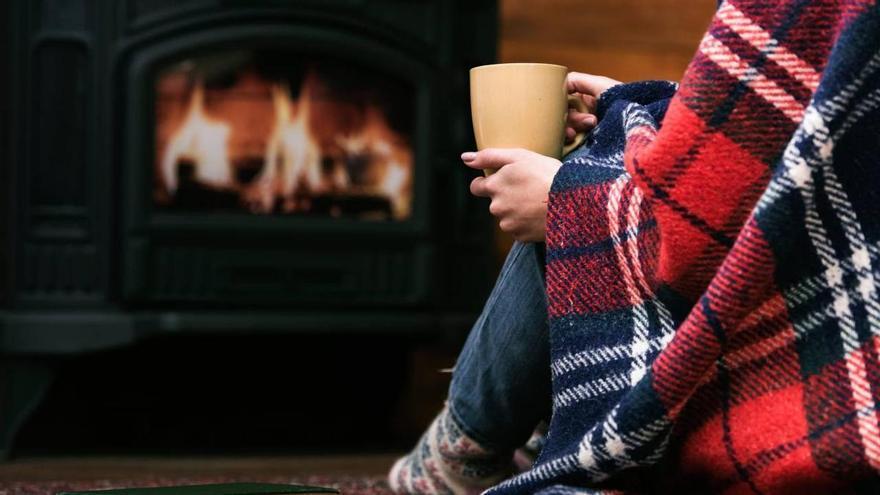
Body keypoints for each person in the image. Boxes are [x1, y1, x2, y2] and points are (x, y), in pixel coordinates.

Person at [390, 1, 880, 492]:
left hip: (832, 363)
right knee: (597, 169)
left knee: (581, 187)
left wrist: (567, 200)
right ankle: (503, 434)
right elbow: (791, 153)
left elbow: (706, 229)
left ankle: (466, 445)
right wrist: (649, 109)